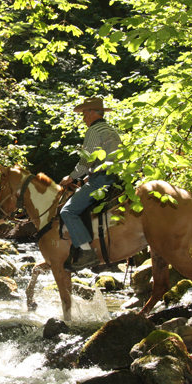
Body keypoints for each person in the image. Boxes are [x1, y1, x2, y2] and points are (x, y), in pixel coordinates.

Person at [60, 97, 122, 272]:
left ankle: (86, 252)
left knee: (68, 211)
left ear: (92, 112)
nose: (83, 118)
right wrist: (90, 175)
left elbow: (87, 160)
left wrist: (71, 177)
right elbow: (110, 158)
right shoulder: (110, 130)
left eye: (84, 114)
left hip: (102, 180)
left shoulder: (94, 131)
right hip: (115, 178)